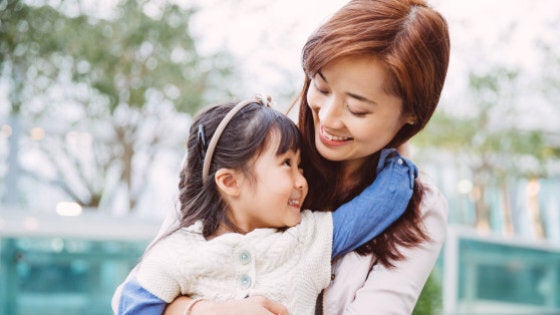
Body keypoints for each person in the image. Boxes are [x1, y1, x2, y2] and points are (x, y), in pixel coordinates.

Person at [116, 0, 450, 313]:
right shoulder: (239, 151)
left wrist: (399, 170)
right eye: (320, 87)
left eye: (357, 108)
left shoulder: (417, 208)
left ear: (411, 114)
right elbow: (134, 292)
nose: (329, 118)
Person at [116, 97, 418, 314]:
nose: (301, 181)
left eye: (301, 166)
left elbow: (387, 198)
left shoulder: (307, 239)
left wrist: (387, 138)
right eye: (286, 164)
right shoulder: (179, 250)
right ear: (230, 182)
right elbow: (132, 306)